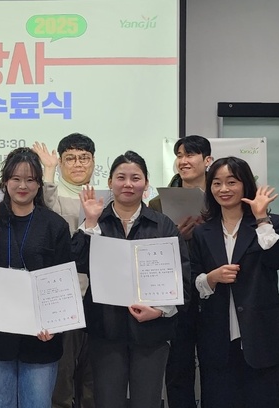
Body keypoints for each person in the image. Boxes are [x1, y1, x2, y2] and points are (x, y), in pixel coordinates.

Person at [72, 151, 190, 408]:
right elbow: (77, 262)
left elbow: (182, 278)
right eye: (121, 177)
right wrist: (90, 222)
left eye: (135, 178)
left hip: (152, 332)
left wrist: (159, 310)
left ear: (146, 183)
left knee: (147, 401)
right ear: (110, 182)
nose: (128, 184)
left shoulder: (162, 225)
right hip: (105, 329)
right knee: (107, 400)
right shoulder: (97, 221)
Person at [0, 147, 71, 408]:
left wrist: (54, 324)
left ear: (39, 184)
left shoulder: (54, 225)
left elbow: (62, 280)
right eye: (16, 179)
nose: (23, 186)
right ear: (5, 182)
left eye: (30, 179)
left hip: (40, 335)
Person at [191, 157, 279, 407]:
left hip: (264, 338)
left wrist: (261, 220)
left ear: (245, 184)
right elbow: (192, 279)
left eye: (231, 182)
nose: (223, 189)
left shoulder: (271, 223)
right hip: (217, 340)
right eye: (216, 183)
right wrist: (211, 278)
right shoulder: (202, 231)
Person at [33, 133, 96, 408]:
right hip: (65, 293)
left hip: (100, 296)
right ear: (60, 162)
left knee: (94, 377)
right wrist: (47, 172)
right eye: (70, 158)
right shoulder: (52, 195)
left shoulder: (107, 196)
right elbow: (45, 211)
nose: (78, 164)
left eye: (84, 158)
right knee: (63, 375)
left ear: (94, 161)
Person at [148, 135, 212, 408]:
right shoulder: (157, 204)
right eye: (179, 155)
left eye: (190, 155)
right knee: (178, 366)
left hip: (214, 289)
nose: (183, 161)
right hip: (176, 290)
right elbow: (150, 250)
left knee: (215, 365)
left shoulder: (221, 197)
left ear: (207, 160)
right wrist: (176, 236)